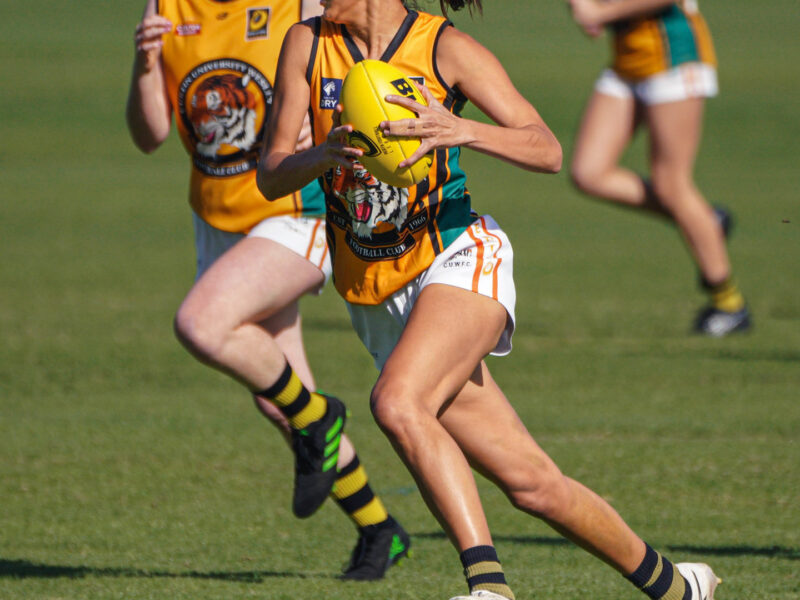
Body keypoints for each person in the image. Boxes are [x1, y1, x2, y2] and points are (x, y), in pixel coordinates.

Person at [257, 0, 722, 598]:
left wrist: (463, 130)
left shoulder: (444, 48)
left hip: (458, 255)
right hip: (376, 295)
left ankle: (489, 587)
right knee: (533, 485)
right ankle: (680, 589)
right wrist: (317, 156)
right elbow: (271, 173)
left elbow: (547, 149)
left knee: (397, 403)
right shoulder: (306, 43)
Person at [125, 0, 409, 580]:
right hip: (218, 218)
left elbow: (363, 67)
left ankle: (320, 417)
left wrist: (325, 116)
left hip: (297, 209)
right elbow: (150, 135)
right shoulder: (167, 5)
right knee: (277, 396)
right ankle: (379, 529)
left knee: (202, 324)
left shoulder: (300, 4)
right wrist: (146, 62)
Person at [566, 0, 751, 337]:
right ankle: (704, 222)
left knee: (671, 183)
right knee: (588, 173)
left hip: (673, 57)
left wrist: (601, 13)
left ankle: (729, 303)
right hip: (627, 60)